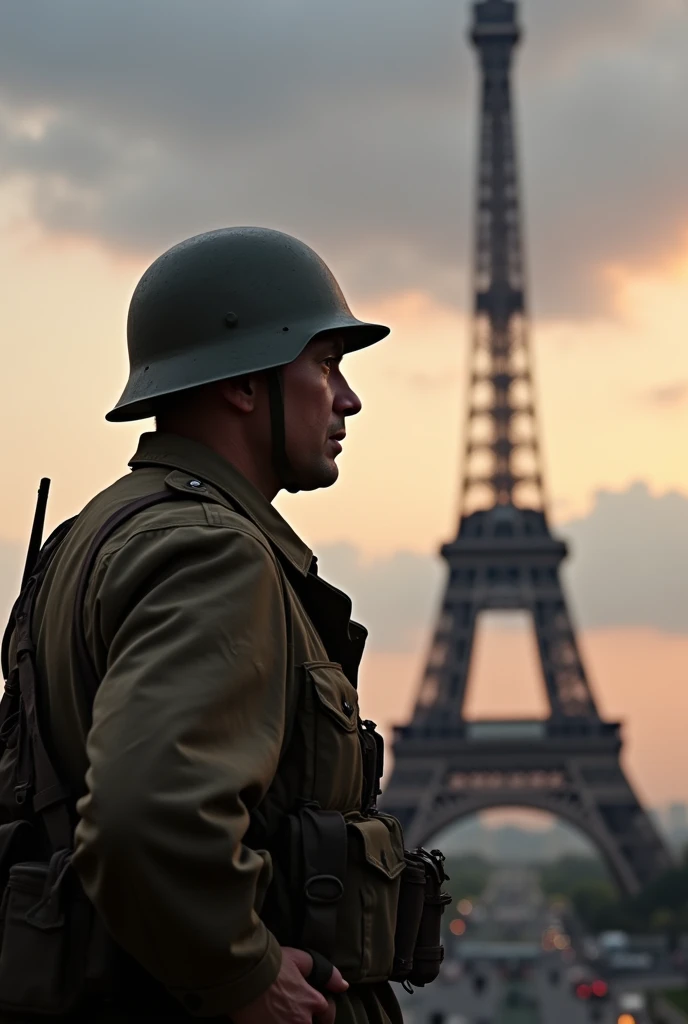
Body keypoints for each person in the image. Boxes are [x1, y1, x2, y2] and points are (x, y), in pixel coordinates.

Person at [7, 227, 407, 1022]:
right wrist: (246, 977)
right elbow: (142, 816)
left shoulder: (97, 534)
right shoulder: (212, 552)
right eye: (325, 364)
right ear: (244, 385)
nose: (348, 398)